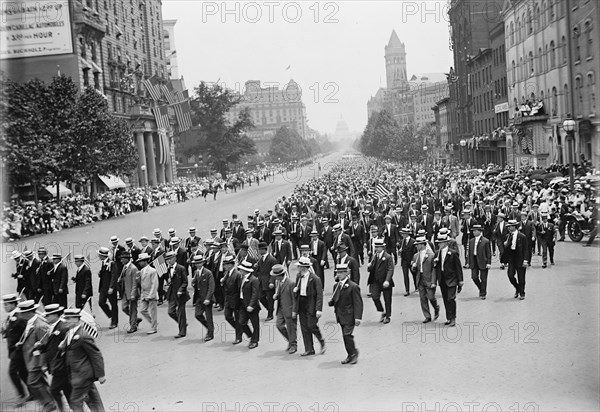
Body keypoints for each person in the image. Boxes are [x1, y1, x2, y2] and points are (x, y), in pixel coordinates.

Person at [60, 308, 106, 412]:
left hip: (82, 375)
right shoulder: (70, 333)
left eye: (68, 318)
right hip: (78, 374)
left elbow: (95, 355)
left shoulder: (83, 335)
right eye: (65, 318)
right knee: (93, 400)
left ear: (76, 319)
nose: (65, 321)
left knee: (75, 402)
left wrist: (101, 375)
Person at [15, 300, 55, 411]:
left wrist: (43, 364)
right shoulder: (30, 323)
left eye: (22, 312)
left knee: (32, 382)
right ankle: (50, 400)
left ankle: (49, 404)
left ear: (28, 313)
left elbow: (46, 345)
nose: (20, 315)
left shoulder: (39, 325)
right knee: (40, 381)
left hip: (36, 360)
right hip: (30, 359)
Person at [36, 304, 71, 412]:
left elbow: (67, 347)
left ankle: (62, 410)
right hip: (57, 366)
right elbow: (51, 345)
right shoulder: (53, 327)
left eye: (48, 315)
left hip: (61, 366)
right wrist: (42, 346)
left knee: (54, 390)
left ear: (55, 315)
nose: (46, 317)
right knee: (67, 391)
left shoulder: (62, 328)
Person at [328, 264, 363, 365]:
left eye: (341, 272)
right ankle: (350, 354)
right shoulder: (337, 285)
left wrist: (358, 317)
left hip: (349, 315)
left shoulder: (353, 286)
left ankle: (354, 354)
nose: (339, 274)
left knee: (347, 335)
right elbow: (336, 298)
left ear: (347, 273)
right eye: (337, 272)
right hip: (340, 315)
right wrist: (332, 302)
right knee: (345, 336)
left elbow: (358, 303)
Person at [1, 293, 30, 407]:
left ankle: (21, 395)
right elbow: (12, 332)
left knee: (12, 372)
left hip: (18, 351)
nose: (5, 307)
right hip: (14, 350)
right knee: (23, 372)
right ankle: (33, 392)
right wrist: (5, 332)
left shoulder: (19, 317)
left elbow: (25, 333)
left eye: (7, 305)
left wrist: (21, 346)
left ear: (13, 304)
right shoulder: (11, 316)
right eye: (4, 305)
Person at [293, 257, 325, 356]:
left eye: (299, 266)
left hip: (311, 303)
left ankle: (321, 340)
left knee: (311, 325)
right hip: (301, 303)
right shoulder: (299, 276)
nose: (298, 267)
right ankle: (309, 349)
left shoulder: (315, 278)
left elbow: (319, 295)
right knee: (304, 327)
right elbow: (297, 293)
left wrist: (318, 309)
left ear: (304, 267)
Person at [433, 233, 463, 327]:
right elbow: (435, 266)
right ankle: (448, 317)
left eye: (441, 243)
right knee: (446, 299)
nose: (439, 244)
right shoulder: (437, 253)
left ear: (446, 243)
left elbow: (458, 268)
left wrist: (460, 280)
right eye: (438, 243)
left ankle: (453, 318)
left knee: (451, 298)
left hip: (452, 279)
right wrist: (435, 264)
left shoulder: (453, 253)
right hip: (442, 279)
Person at [411, 237, 439, 323]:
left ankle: (436, 307)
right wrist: (413, 267)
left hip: (429, 278)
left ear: (423, 245)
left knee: (431, 296)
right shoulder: (416, 256)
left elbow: (434, 269)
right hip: (420, 279)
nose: (416, 246)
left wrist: (434, 281)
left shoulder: (431, 255)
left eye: (418, 245)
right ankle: (427, 316)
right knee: (422, 298)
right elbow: (413, 270)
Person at [271, 264, 297, 354]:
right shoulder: (278, 282)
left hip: (289, 309)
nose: (274, 278)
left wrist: (294, 311)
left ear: (279, 275)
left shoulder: (291, 283)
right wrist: (276, 296)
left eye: (275, 276)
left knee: (291, 328)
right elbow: (280, 293)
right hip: (281, 308)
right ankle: (290, 340)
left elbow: (294, 299)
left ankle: (293, 344)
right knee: (279, 325)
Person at [367, 239, 394, 324]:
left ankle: (388, 316)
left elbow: (390, 269)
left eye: (378, 247)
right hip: (375, 281)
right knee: (374, 296)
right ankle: (382, 311)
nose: (377, 249)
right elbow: (370, 269)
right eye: (376, 247)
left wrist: (387, 280)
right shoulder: (373, 256)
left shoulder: (388, 257)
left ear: (383, 247)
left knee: (387, 299)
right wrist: (369, 266)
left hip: (385, 281)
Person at [164, 250, 189, 338]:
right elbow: (169, 280)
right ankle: (182, 323)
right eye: (167, 259)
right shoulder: (167, 269)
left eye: (169, 259)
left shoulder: (181, 268)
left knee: (181, 312)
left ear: (174, 258)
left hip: (180, 294)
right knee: (171, 312)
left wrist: (180, 290)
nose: (168, 261)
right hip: (171, 294)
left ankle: (182, 332)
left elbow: (185, 282)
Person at [191, 255, 215, 341]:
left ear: (203, 263)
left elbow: (211, 287)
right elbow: (195, 283)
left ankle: (210, 334)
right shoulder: (196, 272)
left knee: (209, 317)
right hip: (199, 298)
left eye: (199, 263)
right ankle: (209, 328)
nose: (198, 264)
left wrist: (208, 298)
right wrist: (193, 283)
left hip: (207, 298)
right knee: (198, 315)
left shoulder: (208, 273)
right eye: (196, 263)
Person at [237, 261, 260, 349]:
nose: (240, 270)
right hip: (243, 303)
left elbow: (255, 294)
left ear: (245, 270)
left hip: (251, 305)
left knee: (255, 324)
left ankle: (255, 341)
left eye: (241, 269)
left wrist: (251, 305)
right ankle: (250, 335)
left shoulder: (254, 280)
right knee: (241, 322)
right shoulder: (241, 278)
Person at [221, 255, 244, 344]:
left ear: (231, 265)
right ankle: (240, 329)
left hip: (235, 300)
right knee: (228, 316)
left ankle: (238, 336)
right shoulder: (226, 274)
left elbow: (239, 288)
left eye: (226, 264)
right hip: (227, 299)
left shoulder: (237, 274)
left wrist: (239, 301)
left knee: (238, 319)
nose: (224, 266)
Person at [503, 219, 528, 300]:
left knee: (521, 277)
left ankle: (522, 293)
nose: (509, 228)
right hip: (512, 258)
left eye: (510, 226)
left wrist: (525, 260)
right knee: (510, 275)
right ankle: (517, 287)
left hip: (520, 257)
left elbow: (526, 249)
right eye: (508, 227)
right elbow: (506, 249)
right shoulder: (508, 236)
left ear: (514, 226)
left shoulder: (522, 236)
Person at [119, 252, 141, 334]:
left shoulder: (133, 268)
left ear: (126, 259)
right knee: (124, 308)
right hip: (125, 291)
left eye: (122, 259)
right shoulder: (124, 267)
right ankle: (135, 319)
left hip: (132, 292)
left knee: (132, 310)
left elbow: (135, 283)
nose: (121, 260)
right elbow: (122, 277)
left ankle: (133, 326)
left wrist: (133, 294)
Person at [468, 224, 492, 300]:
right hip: (474, 260)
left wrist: (488, 262)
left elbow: (488, 253)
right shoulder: (471, 241)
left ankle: (483, 293)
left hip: (483, 261)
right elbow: (469, 252)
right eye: (473, 231)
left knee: (483, 278)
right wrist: (468, 262)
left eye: (475, 231)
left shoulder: (485, 241)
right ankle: (481, 288)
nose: (473, 232)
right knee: (474, 277)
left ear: (479, 231)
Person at [255, 242, 277, 321]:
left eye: (261, 250)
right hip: (261, 281)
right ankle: (269, 308)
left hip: (269, 281)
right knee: (260, 297)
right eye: (259, 250)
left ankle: (270, 315)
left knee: (270, 299)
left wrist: (272, 282)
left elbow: (273, 272)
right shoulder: (260, 259)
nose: (260, 251)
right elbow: (259, 270)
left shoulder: (272, 259)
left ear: (265, 249)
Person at [97, 247, 118, 329]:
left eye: (99, 255)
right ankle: (110, 315)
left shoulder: (112, 263)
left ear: (103, 255)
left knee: (113, 305)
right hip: (103, 287)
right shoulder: (103, 263)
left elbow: (114, 276)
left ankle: (114, 321)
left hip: (110, 287)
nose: (98, 256)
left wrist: (112, 287)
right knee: (101, 302)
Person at [137, 253, 159, 334]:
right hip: (144, 294)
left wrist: (151, 294)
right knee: (142, 310)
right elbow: (141, 283)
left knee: (153, 312)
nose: (139, 263)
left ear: (144, 261)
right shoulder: (142, 271)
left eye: (140, 261)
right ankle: (154, 323)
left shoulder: (152, 271)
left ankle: (154, 327)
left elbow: (154, 284)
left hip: (151, 294)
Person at [398, 227, 416, 296]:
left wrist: (413, 261)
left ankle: (416, 286)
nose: (403, 235)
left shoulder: (413, 241)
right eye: (402, 234)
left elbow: (415, 252)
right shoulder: (401, 242)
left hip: (411, 260)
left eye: (404, 234)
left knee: (414, 274)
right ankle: (407, 290)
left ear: (407, 234)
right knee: (405, 275)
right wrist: (399, 252)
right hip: (404, 261)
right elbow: (400, 253)